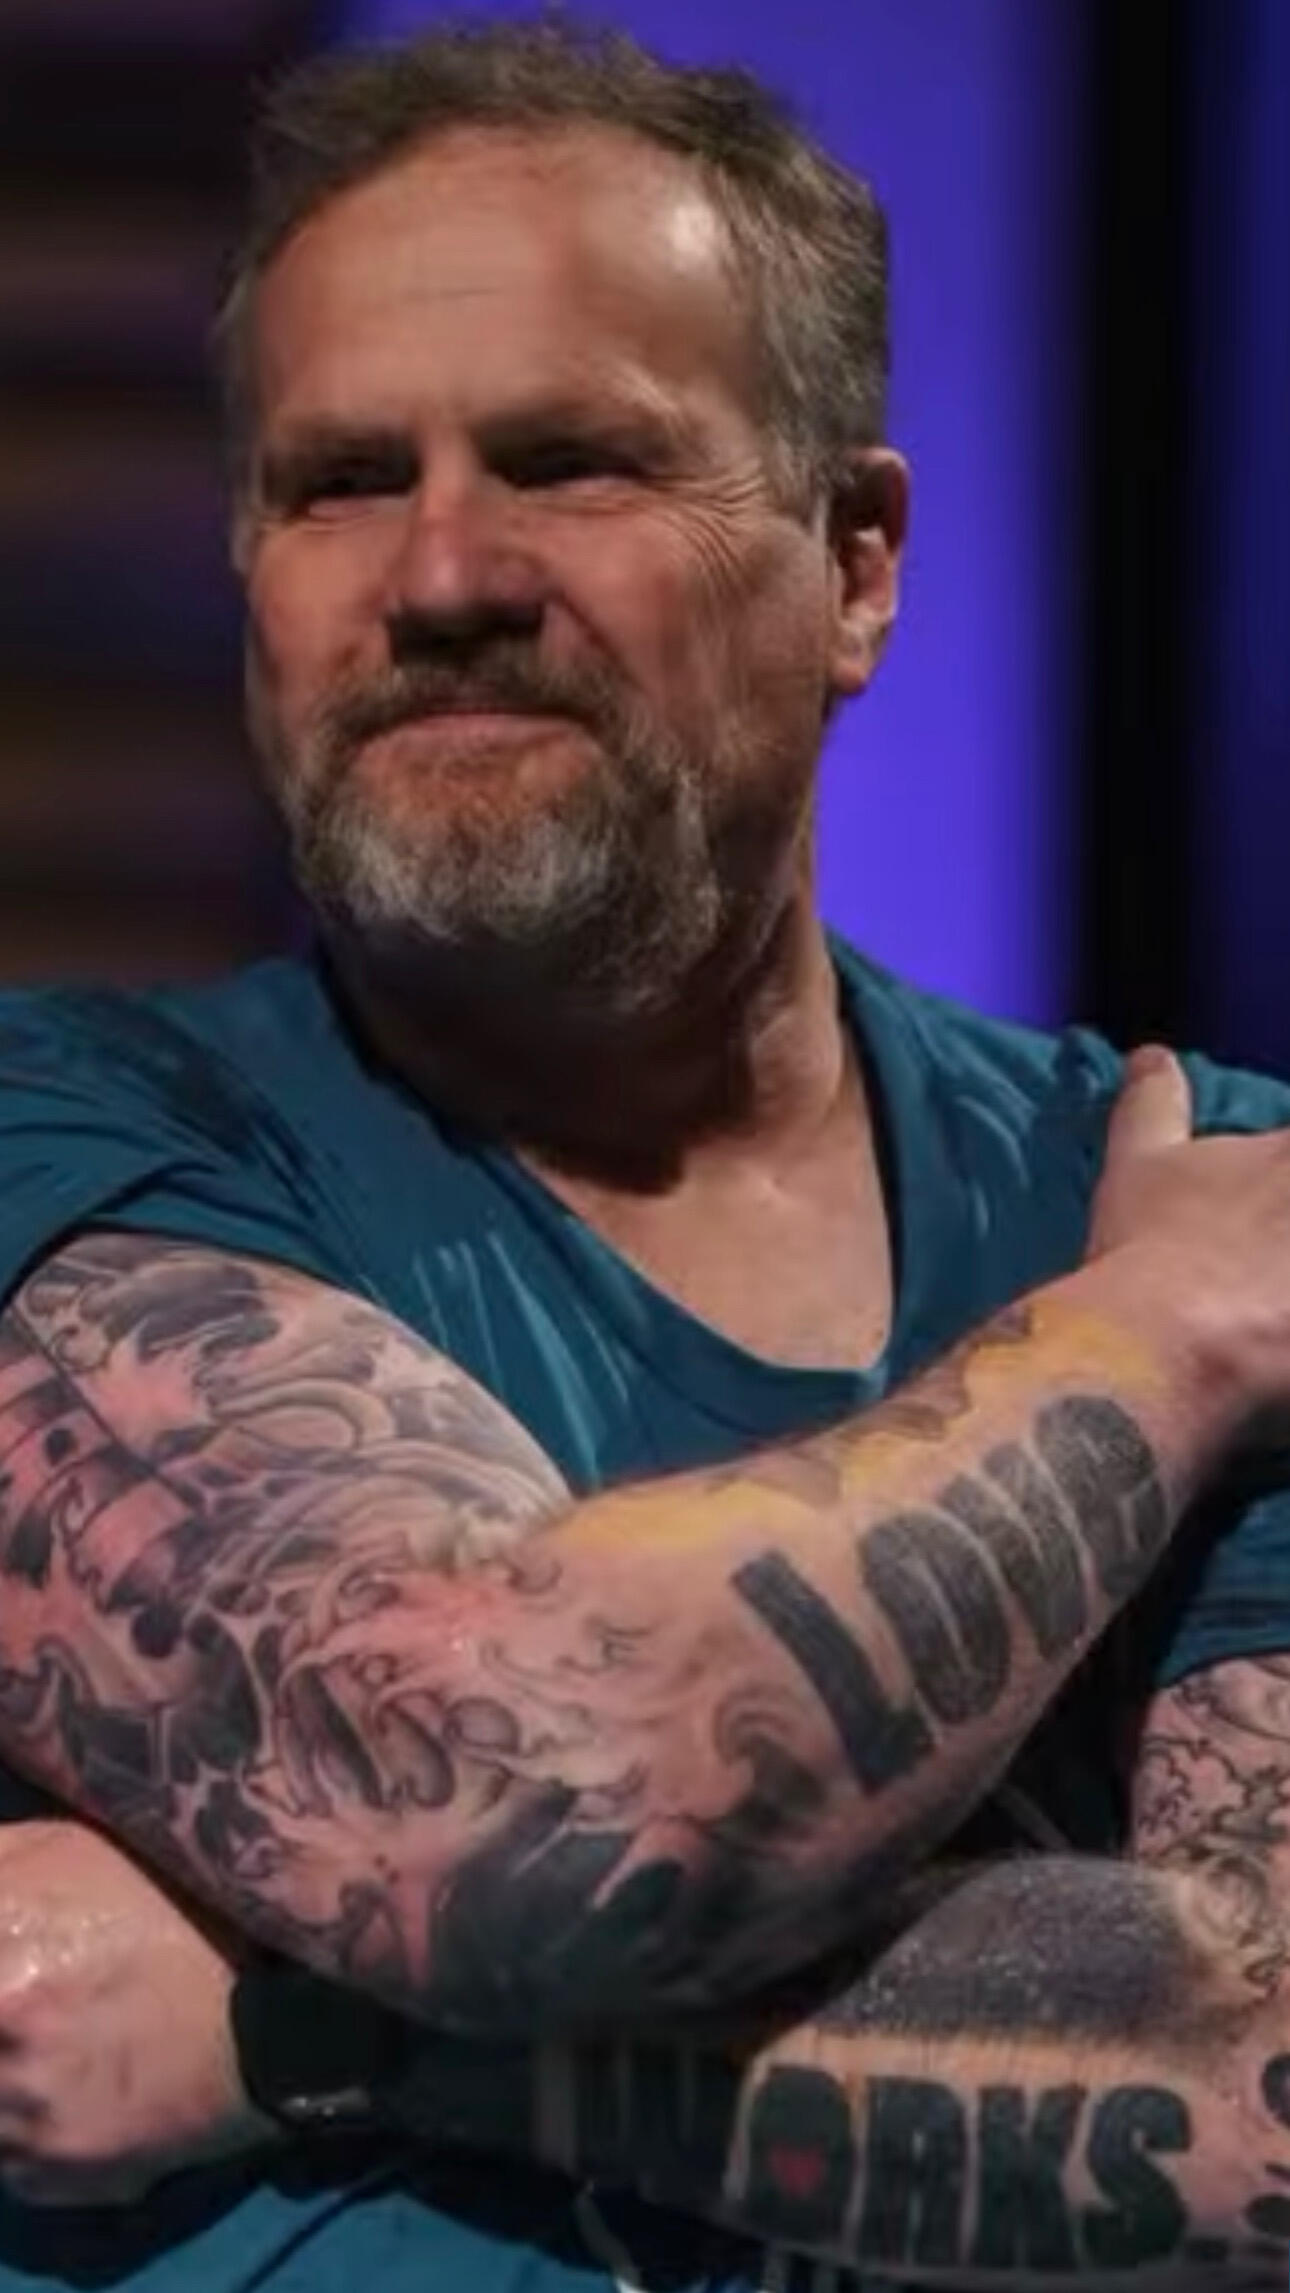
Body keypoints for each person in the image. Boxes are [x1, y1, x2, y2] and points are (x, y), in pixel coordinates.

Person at [0, 13, 1289, 2291]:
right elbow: (522, 1793)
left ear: (855, 562)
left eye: (571, 460)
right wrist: (1162, 1342)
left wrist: (314, 2029)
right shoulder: (65, 1139)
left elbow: (1260, 2085)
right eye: (338, 481)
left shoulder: (1192, 1167)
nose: (442, 574)